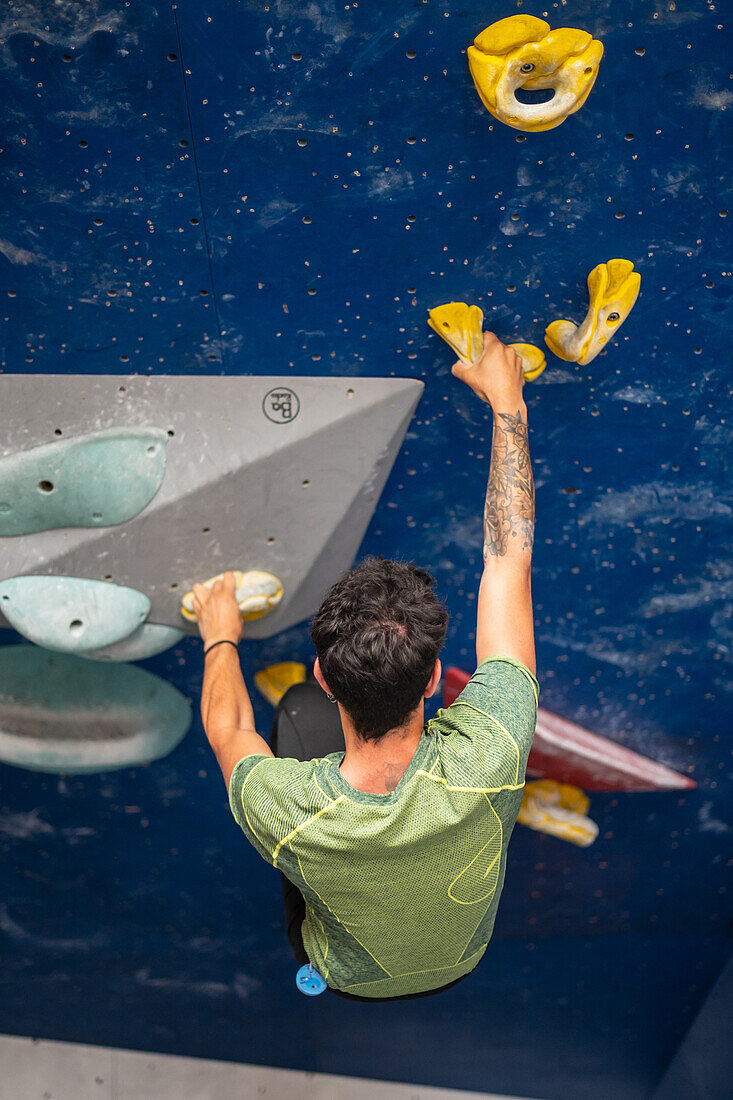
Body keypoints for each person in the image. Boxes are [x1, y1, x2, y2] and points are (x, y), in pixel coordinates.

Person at [192, 331, 539, 1000]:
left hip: (346, 975)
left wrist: (219, 635)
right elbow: (507, 559)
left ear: (326, 679)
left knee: (288, 716)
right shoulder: (492, 749)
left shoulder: (282, 808)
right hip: (460, 958)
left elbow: (227, 729)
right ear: (437, 679)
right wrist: (507, 403)